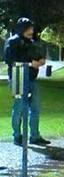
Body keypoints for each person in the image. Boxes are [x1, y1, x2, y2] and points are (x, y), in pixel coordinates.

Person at [3, 17, 50, 146]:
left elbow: (37, 55)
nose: (31, 30)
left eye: (31, 28)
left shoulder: (32, 42)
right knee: (19, 107)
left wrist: (40, 61)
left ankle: (34, 135)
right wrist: (30, 63)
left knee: (35, 108)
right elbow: (9, 60)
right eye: (29, 28)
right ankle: (17, 135)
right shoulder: (12, 42)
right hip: (18, 78)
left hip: (31, 78)